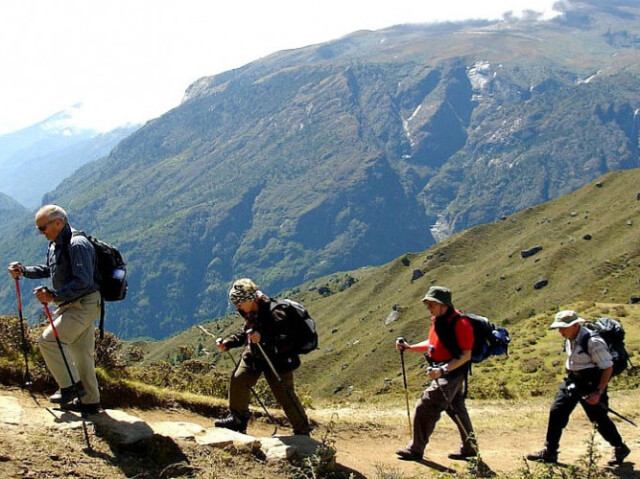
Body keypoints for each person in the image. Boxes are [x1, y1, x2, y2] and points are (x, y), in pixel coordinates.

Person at [7, 204, 101, 414]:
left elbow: (84, 281)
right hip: (74, 305)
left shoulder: (77, 244)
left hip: (83, 304)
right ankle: (90, 402)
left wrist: (53, 296)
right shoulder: (55, 243)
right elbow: (50, 270)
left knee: (49, 339)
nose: (41, 233)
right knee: (80, 353)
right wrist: (24, 271)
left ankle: (70, 387)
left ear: (58, 223)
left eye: (43, 228)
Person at [527, 310, 631, 466]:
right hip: (573, 380)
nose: (560, 331)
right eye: (559, 327)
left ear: (575, 325)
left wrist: (599, 392)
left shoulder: (593, 342)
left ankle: (619, 446)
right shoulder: (570, 337)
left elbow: (607, 367)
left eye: (563, 327)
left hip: (592, 384)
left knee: (599, 419)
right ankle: (550, 452)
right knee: (557, 411)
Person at [214, 278, 311, 435]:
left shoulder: (275, 312)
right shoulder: (251, 311)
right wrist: (228, 343)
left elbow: (285, 337)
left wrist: (262, 337)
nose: (237, 307)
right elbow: (246, 332)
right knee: (239, 379)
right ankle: (238, 419)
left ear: (248, 299)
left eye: (238, 303)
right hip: (256, 354)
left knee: (285, 394)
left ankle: (302, 430)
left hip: (278, 359)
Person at [395, 285, 478, 462]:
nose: (428, 307)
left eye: (431, 303)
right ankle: (470, 448)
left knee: (425, 405)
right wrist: (410, 348)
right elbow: (433, 344)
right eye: (427, 303)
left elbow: (466, 355)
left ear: (443, 304)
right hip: (443, 370)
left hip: (451, 373)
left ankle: (415, 449)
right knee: (456, 408)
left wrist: (442, 370)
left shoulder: (460, 323)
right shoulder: (437, 320)